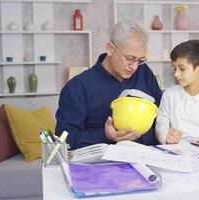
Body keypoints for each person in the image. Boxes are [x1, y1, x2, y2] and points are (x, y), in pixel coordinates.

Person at [55, 20, 162, 149]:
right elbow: (62, 138)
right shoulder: (77, 87)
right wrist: (104, 135)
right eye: (129, 58)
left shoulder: (144, 74)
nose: (134, 67)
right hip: (100, 165)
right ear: (110, 49)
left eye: (140, 60)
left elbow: (161, 118)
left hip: (146, 158)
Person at [155, 40, 199, 145]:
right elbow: (161, 126)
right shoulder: (169, 95)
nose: (176, 74)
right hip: (175, 153)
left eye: (182, 69)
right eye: (175, 69)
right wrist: (166, 137)